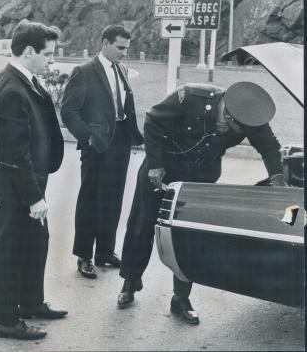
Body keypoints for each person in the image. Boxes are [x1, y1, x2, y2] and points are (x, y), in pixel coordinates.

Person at [117, 81, 287, 324]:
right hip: (162, 169)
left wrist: (278, 181)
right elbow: (153, 121)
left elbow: (270, 147)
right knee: (141, 226)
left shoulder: (249, 117)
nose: (226, 130)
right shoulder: (190, 97)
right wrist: (155, 164)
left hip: (199, 179)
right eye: (228, 124)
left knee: (189, 237)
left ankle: (180, 299)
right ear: (226, 109)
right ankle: (130, 284)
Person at [0, 19, 67, 340]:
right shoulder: (11, 89)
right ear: (29, 51)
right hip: (18, 189)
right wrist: (34, 197)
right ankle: (6, 320)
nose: (52, 60)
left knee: (35, 244)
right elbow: (15, 153)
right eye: (48, 54)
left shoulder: (26, 81)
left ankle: (30, 302)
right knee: (10, 250)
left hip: (31, 182)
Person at [61, 25, 143, 279]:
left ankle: (105, 252)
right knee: (91, 199)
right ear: (105, 43)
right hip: (96, 144)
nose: (124, 53)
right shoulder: (84, 72)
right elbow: (68, 111)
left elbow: (124, 104)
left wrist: (133, 135)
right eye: (120, 48)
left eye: (127, 49)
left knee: (113, 198)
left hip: (120, 141)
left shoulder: (121, 69)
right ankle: (84, 256)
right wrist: (88, 138)